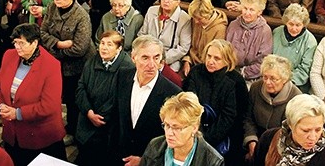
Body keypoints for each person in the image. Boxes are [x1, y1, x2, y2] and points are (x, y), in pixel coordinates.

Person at [0, 23, 66, 166]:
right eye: (15, 42)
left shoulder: (51, 65)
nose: (17, 47)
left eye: (22, 43)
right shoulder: (9, 55)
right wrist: (1, 105)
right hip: (13, 134)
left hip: (40, 137)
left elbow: (49, 105)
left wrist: (18, 113)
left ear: (35, 43)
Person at [112, 36, 181, 166]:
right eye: (145, 58)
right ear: (133, 58)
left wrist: (145, 160)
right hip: (119, 156)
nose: (151, 65)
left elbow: (171, 138)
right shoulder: (122, 75)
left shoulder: (173, 93)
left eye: (156, 58)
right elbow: (116, 117)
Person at [40, 0, 94, 138]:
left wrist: (53, 50)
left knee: (73, 101)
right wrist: (59, 44)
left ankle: (74, 132)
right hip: (57, 64)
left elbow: (79, 48)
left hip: (77, 67)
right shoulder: (51, 8)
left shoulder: (81, 16)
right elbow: (42, 32)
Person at [184, 39, 248, 164]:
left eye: (217, 58)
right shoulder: (196, 72)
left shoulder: (236, 81)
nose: (211, 61)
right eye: (209, 56)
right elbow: (189, 104)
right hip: (195, 130)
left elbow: (231, 117)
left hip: (225, 137)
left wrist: (206, 141)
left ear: (227, 60)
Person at [75, 31, 135, 164]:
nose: (104, 47)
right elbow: (81, 87)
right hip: (86, 119)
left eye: (109, 44)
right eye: (102, 43)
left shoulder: (127, 67)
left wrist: (99, 117)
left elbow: (120, 100)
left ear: (119, 48)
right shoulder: (92, 61)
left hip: (108, 130)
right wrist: (89, 112)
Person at [253, 94, 325, 166]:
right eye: (305, 130)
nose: (312, 137)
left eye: (318, 130)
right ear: (291, 125)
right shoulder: (269, 138)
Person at [140, 92, 224, 166]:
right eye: (167, 125)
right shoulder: (154, 146)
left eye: (177, 128)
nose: (169, 133)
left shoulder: (212, 161)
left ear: (194, 128)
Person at [244, 55, 303, 160]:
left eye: (273, 79)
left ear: (284, 79)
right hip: (256, 137)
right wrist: (251, 140)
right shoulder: (255, 88)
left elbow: (291, 133)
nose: (267, 82)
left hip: (281, 145)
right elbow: (248, 118)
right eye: (265, 77)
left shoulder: (296, 97)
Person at [138, 0, 192, 72]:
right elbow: (142, 34)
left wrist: (161, 59)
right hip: (148, 53)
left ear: (178, 2)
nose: (166, 1)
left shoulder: (184, 19)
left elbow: (183, 48)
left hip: (170, 59)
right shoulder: (151, 11)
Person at [226, 0, 273, 85]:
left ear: (259, 12)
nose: (247, 13)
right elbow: (225, 50)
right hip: (229, 70)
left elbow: (263, 62)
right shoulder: (233, 25)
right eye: (245, 8)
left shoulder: (265, 30)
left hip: (251, 78)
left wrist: (243, 72)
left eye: (251, 10)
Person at [271, 4, 317, 92]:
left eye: (298, 25)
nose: (294, 28)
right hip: (272, 78)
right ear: (286, 22)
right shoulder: (276, 32)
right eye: (291, 24)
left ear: (304, 24)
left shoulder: (310, 41)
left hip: (295, 85)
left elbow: (304, 70)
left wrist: (283, 81)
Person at [182, 0, 228, 76]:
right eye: (194, 18)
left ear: (208, 14)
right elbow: (190, 46)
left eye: (199, 19)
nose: (196, 21)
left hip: (207, 67)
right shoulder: (195, 21)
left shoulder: (219, 28)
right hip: (192, 62)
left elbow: (215, 57)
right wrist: (187, 61)